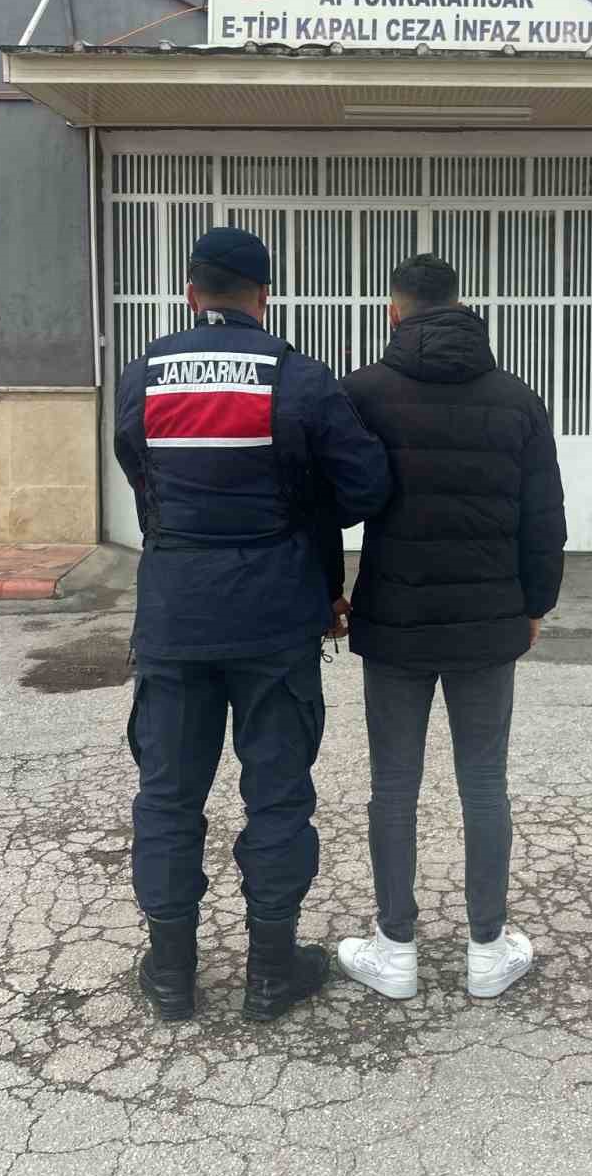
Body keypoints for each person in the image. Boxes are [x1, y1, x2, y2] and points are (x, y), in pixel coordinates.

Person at [114, 226, 391, 1023]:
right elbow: (366, 484)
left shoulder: (144, 373)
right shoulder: (296, 376)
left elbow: (139, 471)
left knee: (168, 796)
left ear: (190, 292)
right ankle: (272, 974)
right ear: (264, 296)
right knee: (277, 796)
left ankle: (171, 976)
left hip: (174, 614)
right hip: (274, 617)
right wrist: (304, 517)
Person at [336, 253, 566, 1001]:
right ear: (462, 306)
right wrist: (535, 605)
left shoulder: (362, 393)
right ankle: (487, 950)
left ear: (393, 311)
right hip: (487, 623)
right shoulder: (517, 398)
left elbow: (326, 502)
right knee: (484, 782)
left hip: (394, 620)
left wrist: (327, 594)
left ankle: (394, 950)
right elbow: (545, 517)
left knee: (393, 785)